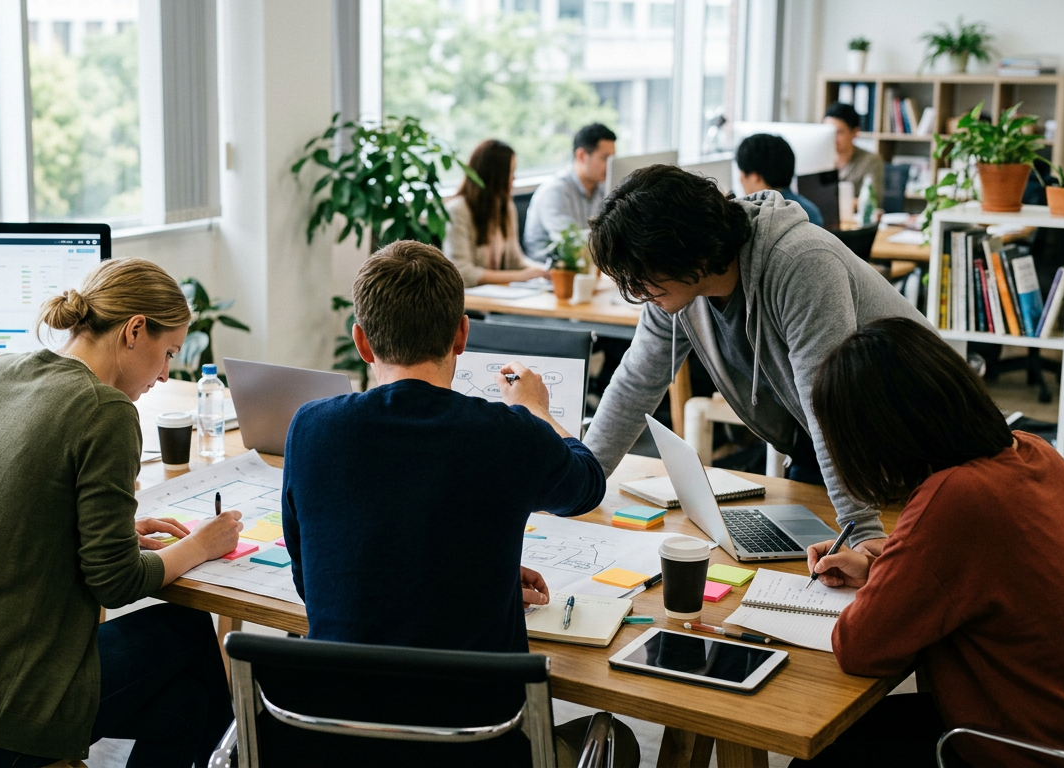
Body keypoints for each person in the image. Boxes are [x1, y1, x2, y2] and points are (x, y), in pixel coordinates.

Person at [0, 259, 243, 768]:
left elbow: (15, 506)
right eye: (167, 354)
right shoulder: (107, 412)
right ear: (135, 331)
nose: (163, 374)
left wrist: (107, 530)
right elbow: (115, 583)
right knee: (186, 635)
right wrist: (200, 544)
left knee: (185, 702)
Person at [282, 241, 637, 766]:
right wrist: (536, 410)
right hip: (482, 742)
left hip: (340, 738)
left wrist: (474, 574)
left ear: (361, 341)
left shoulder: (310, 428)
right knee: (620, 741)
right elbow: (587, 484)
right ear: (462, 334)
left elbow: (311, 579)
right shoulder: (508, 433)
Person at [581, 164, 927, 552]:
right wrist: (581, 482)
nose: (635, 290)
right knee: (801, 564)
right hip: (832, 448)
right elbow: (635, 383)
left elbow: (827, 401)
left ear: (683, 253)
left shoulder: (800, 261)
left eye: (640, 276)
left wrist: (860, 529)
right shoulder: (674, 296)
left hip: (912, 447)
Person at [796, 318, 1064, 768]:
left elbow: (859, 646)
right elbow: (990, 574)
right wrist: (881, 569)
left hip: (1025, 744)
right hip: (1058, 723)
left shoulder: (954, 497)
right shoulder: (1032, 450)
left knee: (820, 755)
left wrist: (891, 574)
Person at [443, 139, 548, 287]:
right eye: (510, 172)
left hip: (500, 296)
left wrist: (544, 271)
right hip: (474, 303)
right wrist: (520, 276)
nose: (514, 178)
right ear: (494, 176)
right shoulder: (458, 210)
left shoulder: (506, 208)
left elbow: (515, 261)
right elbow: (461, 272)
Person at [524, 123, 618, 257]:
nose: (610, 165)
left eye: (613, 160)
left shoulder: (602, 188)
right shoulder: (554, 191)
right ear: (581, 156)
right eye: (605, 158)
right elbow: (571, 242)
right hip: (550, 270)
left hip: (587, 267)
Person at [736, 133, 824, 226]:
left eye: (741, 172)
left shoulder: (752, 219)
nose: (740, 179)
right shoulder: (810, 212)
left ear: (755, 177)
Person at [824, 102, 884, 200]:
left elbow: (872, 200)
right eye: (829, 131)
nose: (833, 137)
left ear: (855, 132)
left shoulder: (870, 161)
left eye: (839, 132)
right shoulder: (819, 158)